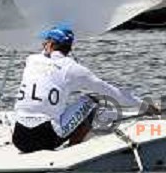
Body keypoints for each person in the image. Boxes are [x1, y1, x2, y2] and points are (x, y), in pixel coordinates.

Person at [12, 26, 143, 154]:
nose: (43, 44)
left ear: (49, 45)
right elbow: (111, 92)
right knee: (93, 99)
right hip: (47, 139)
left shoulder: (31, 60)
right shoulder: (73, 68)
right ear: (69, 47)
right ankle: (72, 150)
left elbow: (46, 59)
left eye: (45, 42)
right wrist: (143, 105)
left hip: (19, 139)